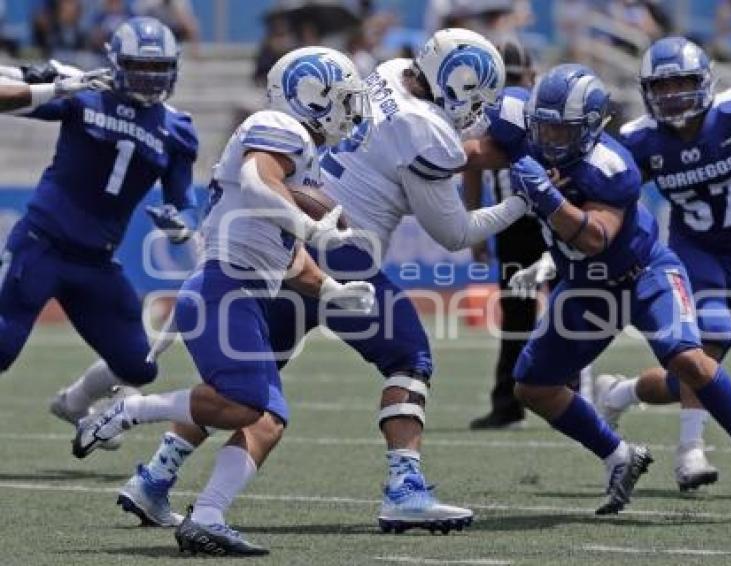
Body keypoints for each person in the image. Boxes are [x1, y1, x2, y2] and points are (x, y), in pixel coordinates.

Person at [108, 27, 528, 536]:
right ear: (461, 85)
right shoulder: (430, 132)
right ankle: (405, 488)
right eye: (476, 96)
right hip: (342, 248)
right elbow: (454, 233)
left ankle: (156, 476)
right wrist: (520, 204)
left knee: (245, 383)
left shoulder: (393, 73)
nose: (476, 110)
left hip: (292, 246)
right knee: (408, 356)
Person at [74, 46, 377, 557]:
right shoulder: (281, 128)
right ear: (314, 95)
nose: (349, 113)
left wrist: (332, 289)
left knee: (267, 418)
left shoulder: (298, 154)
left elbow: (287, 260)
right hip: (222, 291)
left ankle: (208, 516)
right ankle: (131, 409)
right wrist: (307, 223)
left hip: (239, 293)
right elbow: (260, 181)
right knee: (244, 405)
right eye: (343, 100)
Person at [595, 36, 731, 493]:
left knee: (695, 374)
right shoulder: (643, 140)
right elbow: (608, 197)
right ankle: (690, 451)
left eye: (682, 83)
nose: (674, 94)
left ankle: (620, 392)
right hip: (690, 253)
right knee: (708, 342)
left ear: (704, 83)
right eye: (663, 86)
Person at [0, 18, 200, 440]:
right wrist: (52, 85)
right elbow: (12, 101)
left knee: (138, 365)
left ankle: (74, 401)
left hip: (96, 262)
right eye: (139, 66)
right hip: (42, 245)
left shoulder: (177, 128)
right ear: (115, 63)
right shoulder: (86, 93)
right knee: (2, 346)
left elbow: (184, 202)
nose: (149, 77)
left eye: (158, 67)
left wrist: (181, 226)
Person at [464, 37, 552, 430]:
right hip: (512, 221)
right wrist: (475, 227)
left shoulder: (548, 108)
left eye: (518, 77)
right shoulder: (489, 114)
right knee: (517, 314)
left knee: (573, 307)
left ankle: (570, 395)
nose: (514, 84)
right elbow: (472, 165)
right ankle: (508, 402)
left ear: (532, 76)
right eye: (508, 78)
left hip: (553, 216)